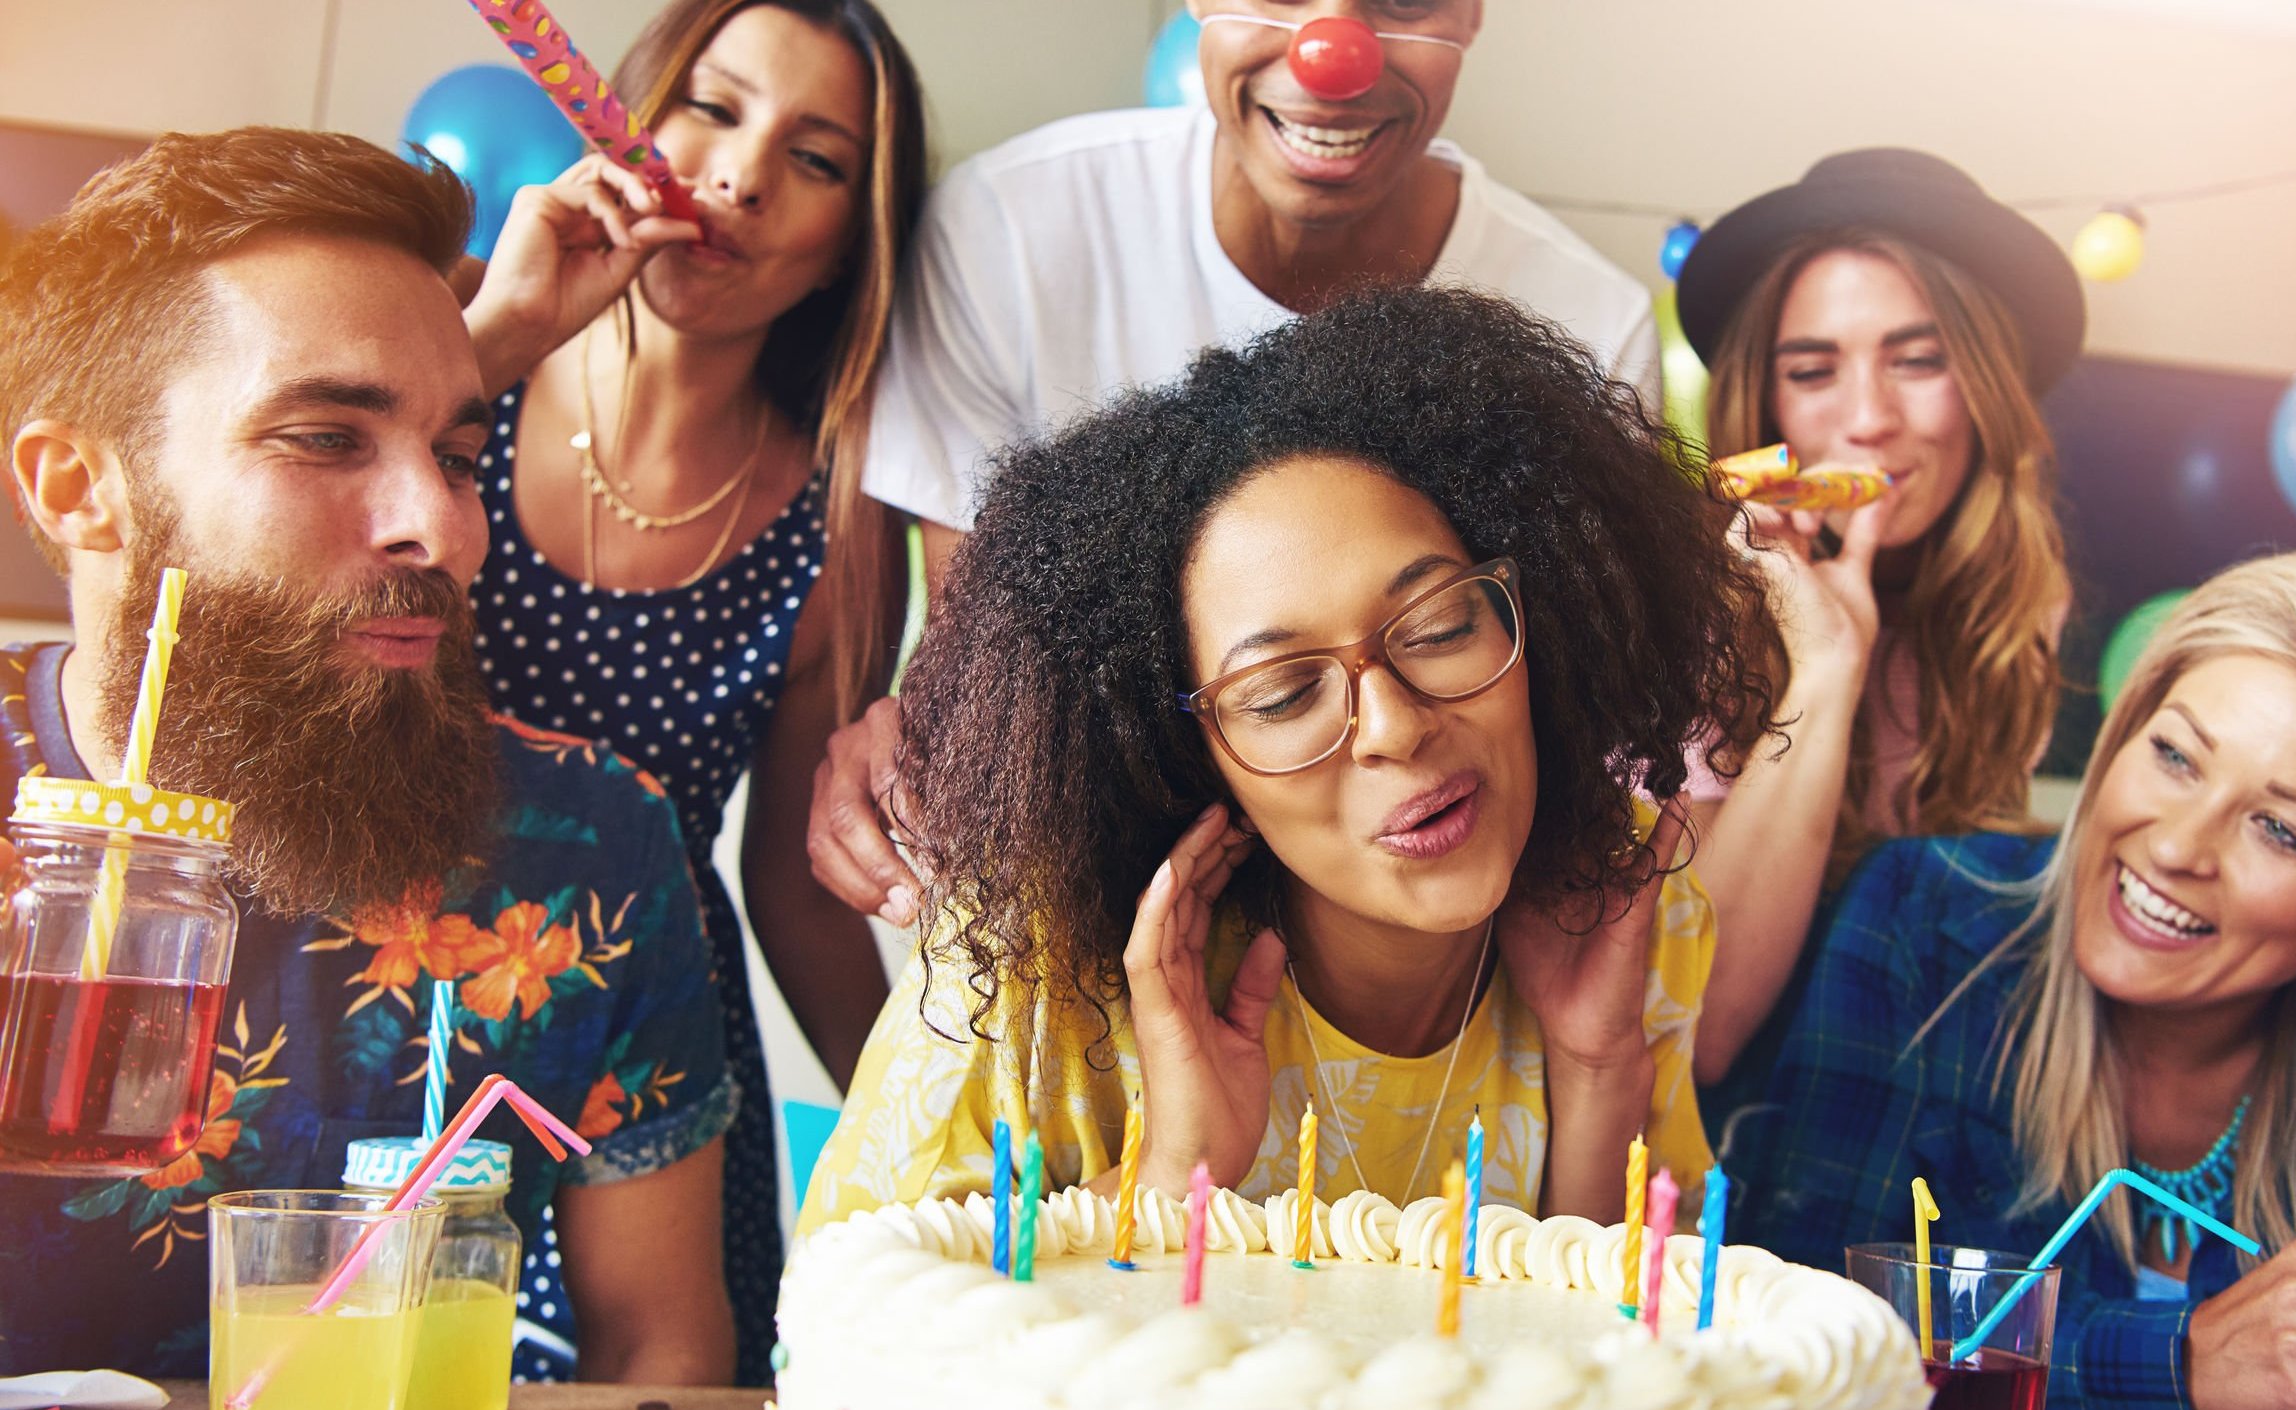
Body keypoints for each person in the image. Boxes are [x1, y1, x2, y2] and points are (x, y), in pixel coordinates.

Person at [796, 286, 1775, 1231]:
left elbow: (1636, 1371)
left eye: (1437, 628)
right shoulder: (1038, 965)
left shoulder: (1624, 900)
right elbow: (848, 1337)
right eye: (1282, 695)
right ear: (1189, 751)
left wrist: (1596, 1069)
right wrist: (1170, 1175)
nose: (1393, 727)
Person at [0, 129, 734, 1382]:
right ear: (77, 488)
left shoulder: (589, 847)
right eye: (326, 439)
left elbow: (658, 1349)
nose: (444, 529)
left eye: (458, 456)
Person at [806, 0, 1663, 928]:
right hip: (1112, 915)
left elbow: (1565, 730)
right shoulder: (1008, 227)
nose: (1333, 51)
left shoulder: (1587, 327)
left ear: (1471, 13)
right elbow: (984, 674)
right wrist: (923, 738)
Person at [1734, 550, 2296, 1409]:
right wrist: (2179, 1359)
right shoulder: (1926, 922)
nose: (2175, 847)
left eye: (2280, 831)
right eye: (2175, 756)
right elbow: (1800, 1327)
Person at [457, 0, 927, 1377]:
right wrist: (492, 334)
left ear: (850, 237)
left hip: (645, 1035)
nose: (737, 178)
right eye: (712, 110)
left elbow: (794, 874)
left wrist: (921, 1129)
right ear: (630, 112)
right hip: (383, 999)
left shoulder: (835, 517)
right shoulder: (447, 360)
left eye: (817, 158)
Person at [1669, 149, 2079, 1112]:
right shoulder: (1680, 610)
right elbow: (1699, 1030)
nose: (1868, 420)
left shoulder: (2018, 603)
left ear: (1985, 385)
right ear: (1765, 405)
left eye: (1919, 360)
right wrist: (1824, 663)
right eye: (1813, 370)